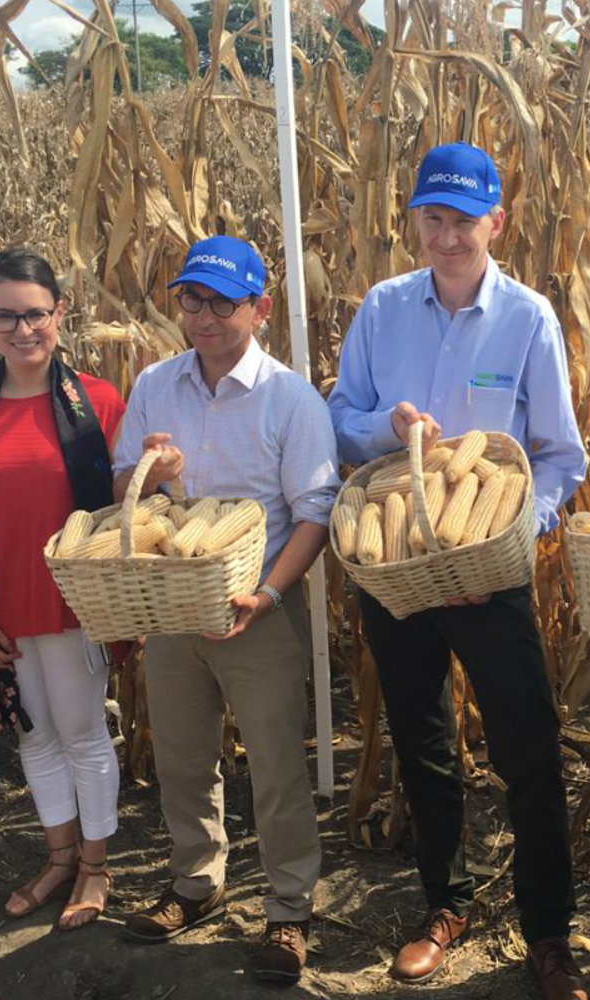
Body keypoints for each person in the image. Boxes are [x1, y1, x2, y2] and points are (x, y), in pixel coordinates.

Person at [327, 142, 590, 1000]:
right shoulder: (382, 308)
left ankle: (549, 932)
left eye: (462, 221)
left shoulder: (528, 317)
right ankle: (446, 904)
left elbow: (559, 456)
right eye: (430, 219)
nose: (445, 237)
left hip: (487, 572)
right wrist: (382, 427)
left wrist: (518, 535)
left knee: (527, 748)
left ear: (496, 223)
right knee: (424, 739)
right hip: (398, 566)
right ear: (413, 222)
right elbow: (341, 415)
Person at [113, 236, 337, 985]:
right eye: (190, 299)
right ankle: (196, 883)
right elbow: (125, 489)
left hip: (259, 612)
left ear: (260, 309)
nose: (202, 316)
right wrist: (152, 478)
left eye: (221, 302)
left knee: (275, 766)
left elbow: (314, 513)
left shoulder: (290, 399)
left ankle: (288, 908)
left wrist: (270, 593)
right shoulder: (155, 384)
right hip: (175, 606)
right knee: (181, 754)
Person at [0, 248, 126, 930]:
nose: (21, 330)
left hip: (73, 602)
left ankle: (96, 867)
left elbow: (125, 509)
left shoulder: (96, 400)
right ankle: (59, 856)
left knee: (81, 731)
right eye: (3, 315)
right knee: (35, 737)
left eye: (35, 314)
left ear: (60, 314)